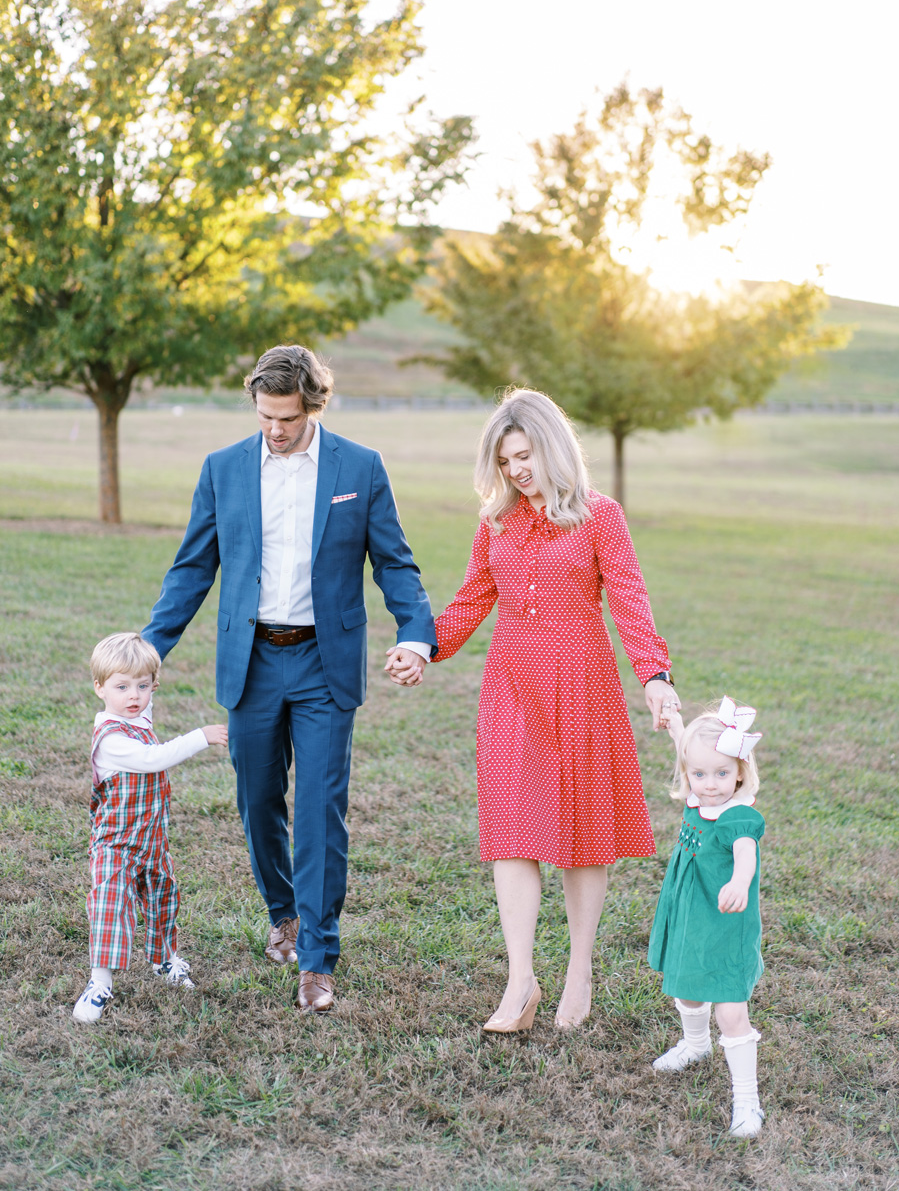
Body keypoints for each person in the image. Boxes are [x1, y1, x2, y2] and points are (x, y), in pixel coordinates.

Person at [143, 344, 435, 1014]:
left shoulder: (359, 467)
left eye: (288, 418)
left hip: (324, 665)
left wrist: (415, 635)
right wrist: (152, 645)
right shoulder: (223, 469)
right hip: (250, 662)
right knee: (258, 801)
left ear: (314, 406)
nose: (275, 431)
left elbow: (395, 563)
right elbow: (193, 567)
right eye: (265, 417)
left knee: (321, 810)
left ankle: (318, 957)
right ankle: (284, 915)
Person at [405, 388, 679, 1032]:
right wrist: (423, 647)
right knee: (511, 833)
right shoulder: (494, 523)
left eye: (524, 455)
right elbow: (470, 602)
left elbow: (631, 606)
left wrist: (657, 679)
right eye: (504, 462)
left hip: (582, 687)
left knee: (583, 839)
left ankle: (578, 973)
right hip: (510, 690)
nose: (516, 471)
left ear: (552, 447)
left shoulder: (600, 516)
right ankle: (520, 980)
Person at [73, 632, 228, 1023]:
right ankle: (100, 982)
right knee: (112, 906)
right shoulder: (112, 738)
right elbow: (155, 758)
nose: (134, 696)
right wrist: (200, 737)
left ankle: (163, 959)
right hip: (116, 843)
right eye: (122, 686)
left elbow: (144, 690)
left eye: (144, 686)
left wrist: (148, 669)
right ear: (99, 689)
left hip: (151, 839)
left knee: (163, 900)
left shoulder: (138, 714)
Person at [648, 696, 765, 1139]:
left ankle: (747, 1100)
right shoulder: (697, 792)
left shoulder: (738, 817)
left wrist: (739, 881)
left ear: (740, 770)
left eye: (721, 773)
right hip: (689, 911)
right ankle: (695, 1045)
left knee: (731, 1012)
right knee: (688, 986)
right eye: (699, 774)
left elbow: (745, 854)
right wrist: (675, 721)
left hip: (724, 920)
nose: (710, 784)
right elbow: (685, 744)